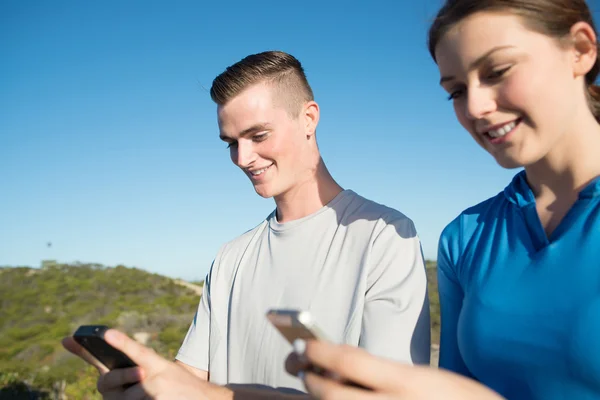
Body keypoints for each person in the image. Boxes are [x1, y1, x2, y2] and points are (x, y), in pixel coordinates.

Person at [63, 50, 431, 398]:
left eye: (258, 136)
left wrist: (209, 396)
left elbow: (390, 396)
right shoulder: (230, 257)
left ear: (309, 118)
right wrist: (145, 386)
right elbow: (191, 378)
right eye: (231, 143)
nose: (242, 158)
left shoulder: (384, 236)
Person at [286, 0, 600, 399]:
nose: (475, 107)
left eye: (498, 72)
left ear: (581, 50)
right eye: (456, 90)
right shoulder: (464, 237)